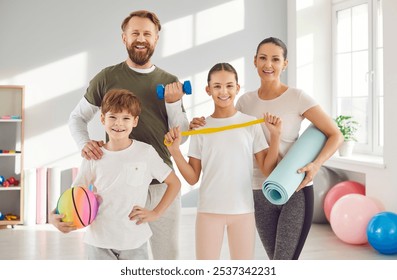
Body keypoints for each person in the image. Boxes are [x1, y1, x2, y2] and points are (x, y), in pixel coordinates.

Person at [50, 10, 189, 260]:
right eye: (134, 32)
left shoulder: (170, 82)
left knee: (167, 259)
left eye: (147, 33)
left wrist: (172, 103)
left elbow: (183, 136)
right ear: (124, 37)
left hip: (159, 183)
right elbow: (76, 118)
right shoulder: (106, 77)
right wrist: (84, 144)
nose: (141, 38)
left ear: (156, 38)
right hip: (118, 185)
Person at [190, 37, 344, 260]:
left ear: (285, 64)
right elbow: (224, 126)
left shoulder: (297, 97)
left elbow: (335, 134)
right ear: (254, 61)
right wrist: (198, 125)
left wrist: (316, 164)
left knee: (284, 261)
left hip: (295, 188)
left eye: (275, 59)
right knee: (274, 260)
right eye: (262, 58)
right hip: (257, 190)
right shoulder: (245, 101)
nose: (268, 64)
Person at [165, 62, 282, 260]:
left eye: (229, 85)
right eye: (217, 86)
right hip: (208, 211)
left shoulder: (250, 124)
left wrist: (276, 136)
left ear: (237, 88)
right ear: (208, 90)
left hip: (243, 211)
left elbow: (267, 169)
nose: (223, 91)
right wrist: (175, 152)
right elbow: (193, 178)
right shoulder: (201, 128)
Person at [52, 89, 181, 260]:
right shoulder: (94, 156)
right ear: (102, 119)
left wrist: (155, 213)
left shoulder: (146, 153)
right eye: (112, 117)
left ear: (135, 121)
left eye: (126, 118)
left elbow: (175, 183)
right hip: (98, 242)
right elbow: (74, 194)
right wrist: (54, 215)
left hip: (134, 241)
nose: (118, 123)